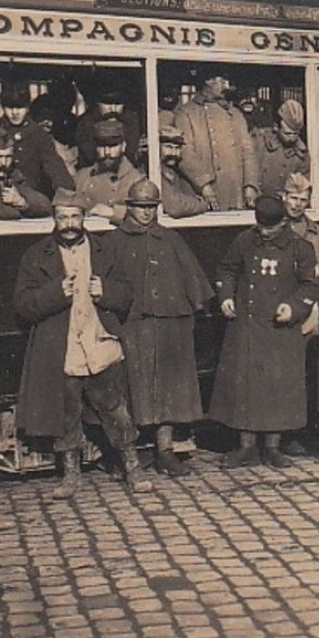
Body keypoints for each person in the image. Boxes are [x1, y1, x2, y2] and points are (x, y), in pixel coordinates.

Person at [12, 189, 151, 498]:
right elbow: (22, 305)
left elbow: (128, 293)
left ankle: (133, 468)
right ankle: (70, 475)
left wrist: (107, 292)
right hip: (62, 349)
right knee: (67, 412)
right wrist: (54, 293)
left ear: (84, 218)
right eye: (63, 217)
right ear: (54, 219)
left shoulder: (105, 251)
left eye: (75, 217)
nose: (70, 224)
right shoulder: (36, 256)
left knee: (115, 408)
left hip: (99, 341)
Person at [208, 194, 319, 469]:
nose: (265, 233)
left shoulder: (301, 248)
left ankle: (273, 446)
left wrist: (293, 308)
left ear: (284, 222)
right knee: (245, 386)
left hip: (280, 329)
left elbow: (310, 286)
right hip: (246, 326)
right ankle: (245, 447)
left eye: (270, 228)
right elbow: (227, 269)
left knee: (277, 387)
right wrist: (226, 296)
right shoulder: (244, 241)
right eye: (261, 227)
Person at [112, 178, 215, 476]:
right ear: (129, 208)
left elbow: (192, 276)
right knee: (134, 387)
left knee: (170, 388)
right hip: (135, 325)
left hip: (172, 323)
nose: (145, 213)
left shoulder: (171, 239)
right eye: (140, 207)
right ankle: (127, 454)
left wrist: (198, 305)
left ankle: (165, 450)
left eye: (150, 207)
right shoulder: (115, 241)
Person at [279, 173, 319, 451]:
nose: (297, 204)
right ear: (283, 198)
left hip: (314, 313)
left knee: (315, 373)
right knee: (285, 373)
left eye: (302, 200)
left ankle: (311, 431)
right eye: (292, 198)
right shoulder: (274, 230)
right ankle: (285, 432)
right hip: (281, 314)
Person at [172, 71, 257, 211]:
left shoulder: (236, 114)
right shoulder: (186, 112)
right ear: (208, 80)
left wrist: (250, 185)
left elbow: (248, 152)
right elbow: (185, 151)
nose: (227, 86)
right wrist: (203, 184)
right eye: (222, 80)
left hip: (234, 193)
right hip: (202, 193)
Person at [0, 82, 74, 201]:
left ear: (27, 107)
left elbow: (54, 167)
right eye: (9, 107)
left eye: (20, 107)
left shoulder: (38, 135)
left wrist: (65, 195)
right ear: (2, 107)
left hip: (31, 199)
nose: (14, 112)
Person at [0, 122, 53, 220]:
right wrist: (14, 212)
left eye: (8, 157)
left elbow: (45, 205)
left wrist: (22, 203)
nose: (3, 163)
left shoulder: (13, 176)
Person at [72, 118, 146, 218]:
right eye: (101, 146)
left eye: (112, 146)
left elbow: (145, 214)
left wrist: (113, 212)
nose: (107, 152)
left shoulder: (136, 180)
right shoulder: (82, 177)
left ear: (123, 146)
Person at [75, 83, 142, 169]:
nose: (113, 109)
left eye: (118, 103)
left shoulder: (131, 122)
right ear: (96, 102)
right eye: (107, 103)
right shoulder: (85, 125)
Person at [256, 99, 311, 200]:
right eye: (288, 133)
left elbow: (302, 186)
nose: (292, 138)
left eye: (296, 134)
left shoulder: (302, 154)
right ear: (276, 127)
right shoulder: (261, 142)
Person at [156, 123, 211, 218]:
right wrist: (203, 204)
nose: (173, 153)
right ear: (158, 147)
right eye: (168, 147)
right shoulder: (155, 172)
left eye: (177, 148)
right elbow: (174, 207)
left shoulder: (177, 173)